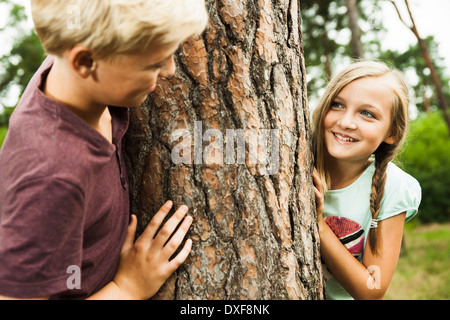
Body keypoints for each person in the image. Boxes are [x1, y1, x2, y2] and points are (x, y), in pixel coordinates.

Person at [0, 0, 208, 300]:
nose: (170, 71)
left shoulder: (73, 69)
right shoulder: (50, 179)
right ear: (84, 63)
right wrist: (127, 288)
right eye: (153, 64)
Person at [311, 60, 421, 300]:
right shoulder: (298, 162)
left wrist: (317, 225)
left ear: (392, 133)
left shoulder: (393, 186)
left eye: (367, 113)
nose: (346, 122)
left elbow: (371, 290)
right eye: (337, 105)